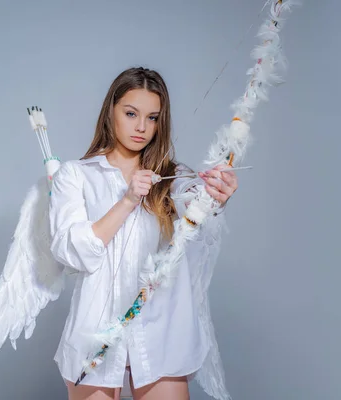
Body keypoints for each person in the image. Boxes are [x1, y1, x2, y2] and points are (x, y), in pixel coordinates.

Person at [48, 66, 238, 400]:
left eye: (152, 118)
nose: (141, 127)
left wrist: (216, 196)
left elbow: (199, 215)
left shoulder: (173, 177)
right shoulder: (76, 175)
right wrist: (127, 200)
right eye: (131, 113)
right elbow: (71, 252)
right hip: (97, 332)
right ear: (111, 110)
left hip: (161, 331)